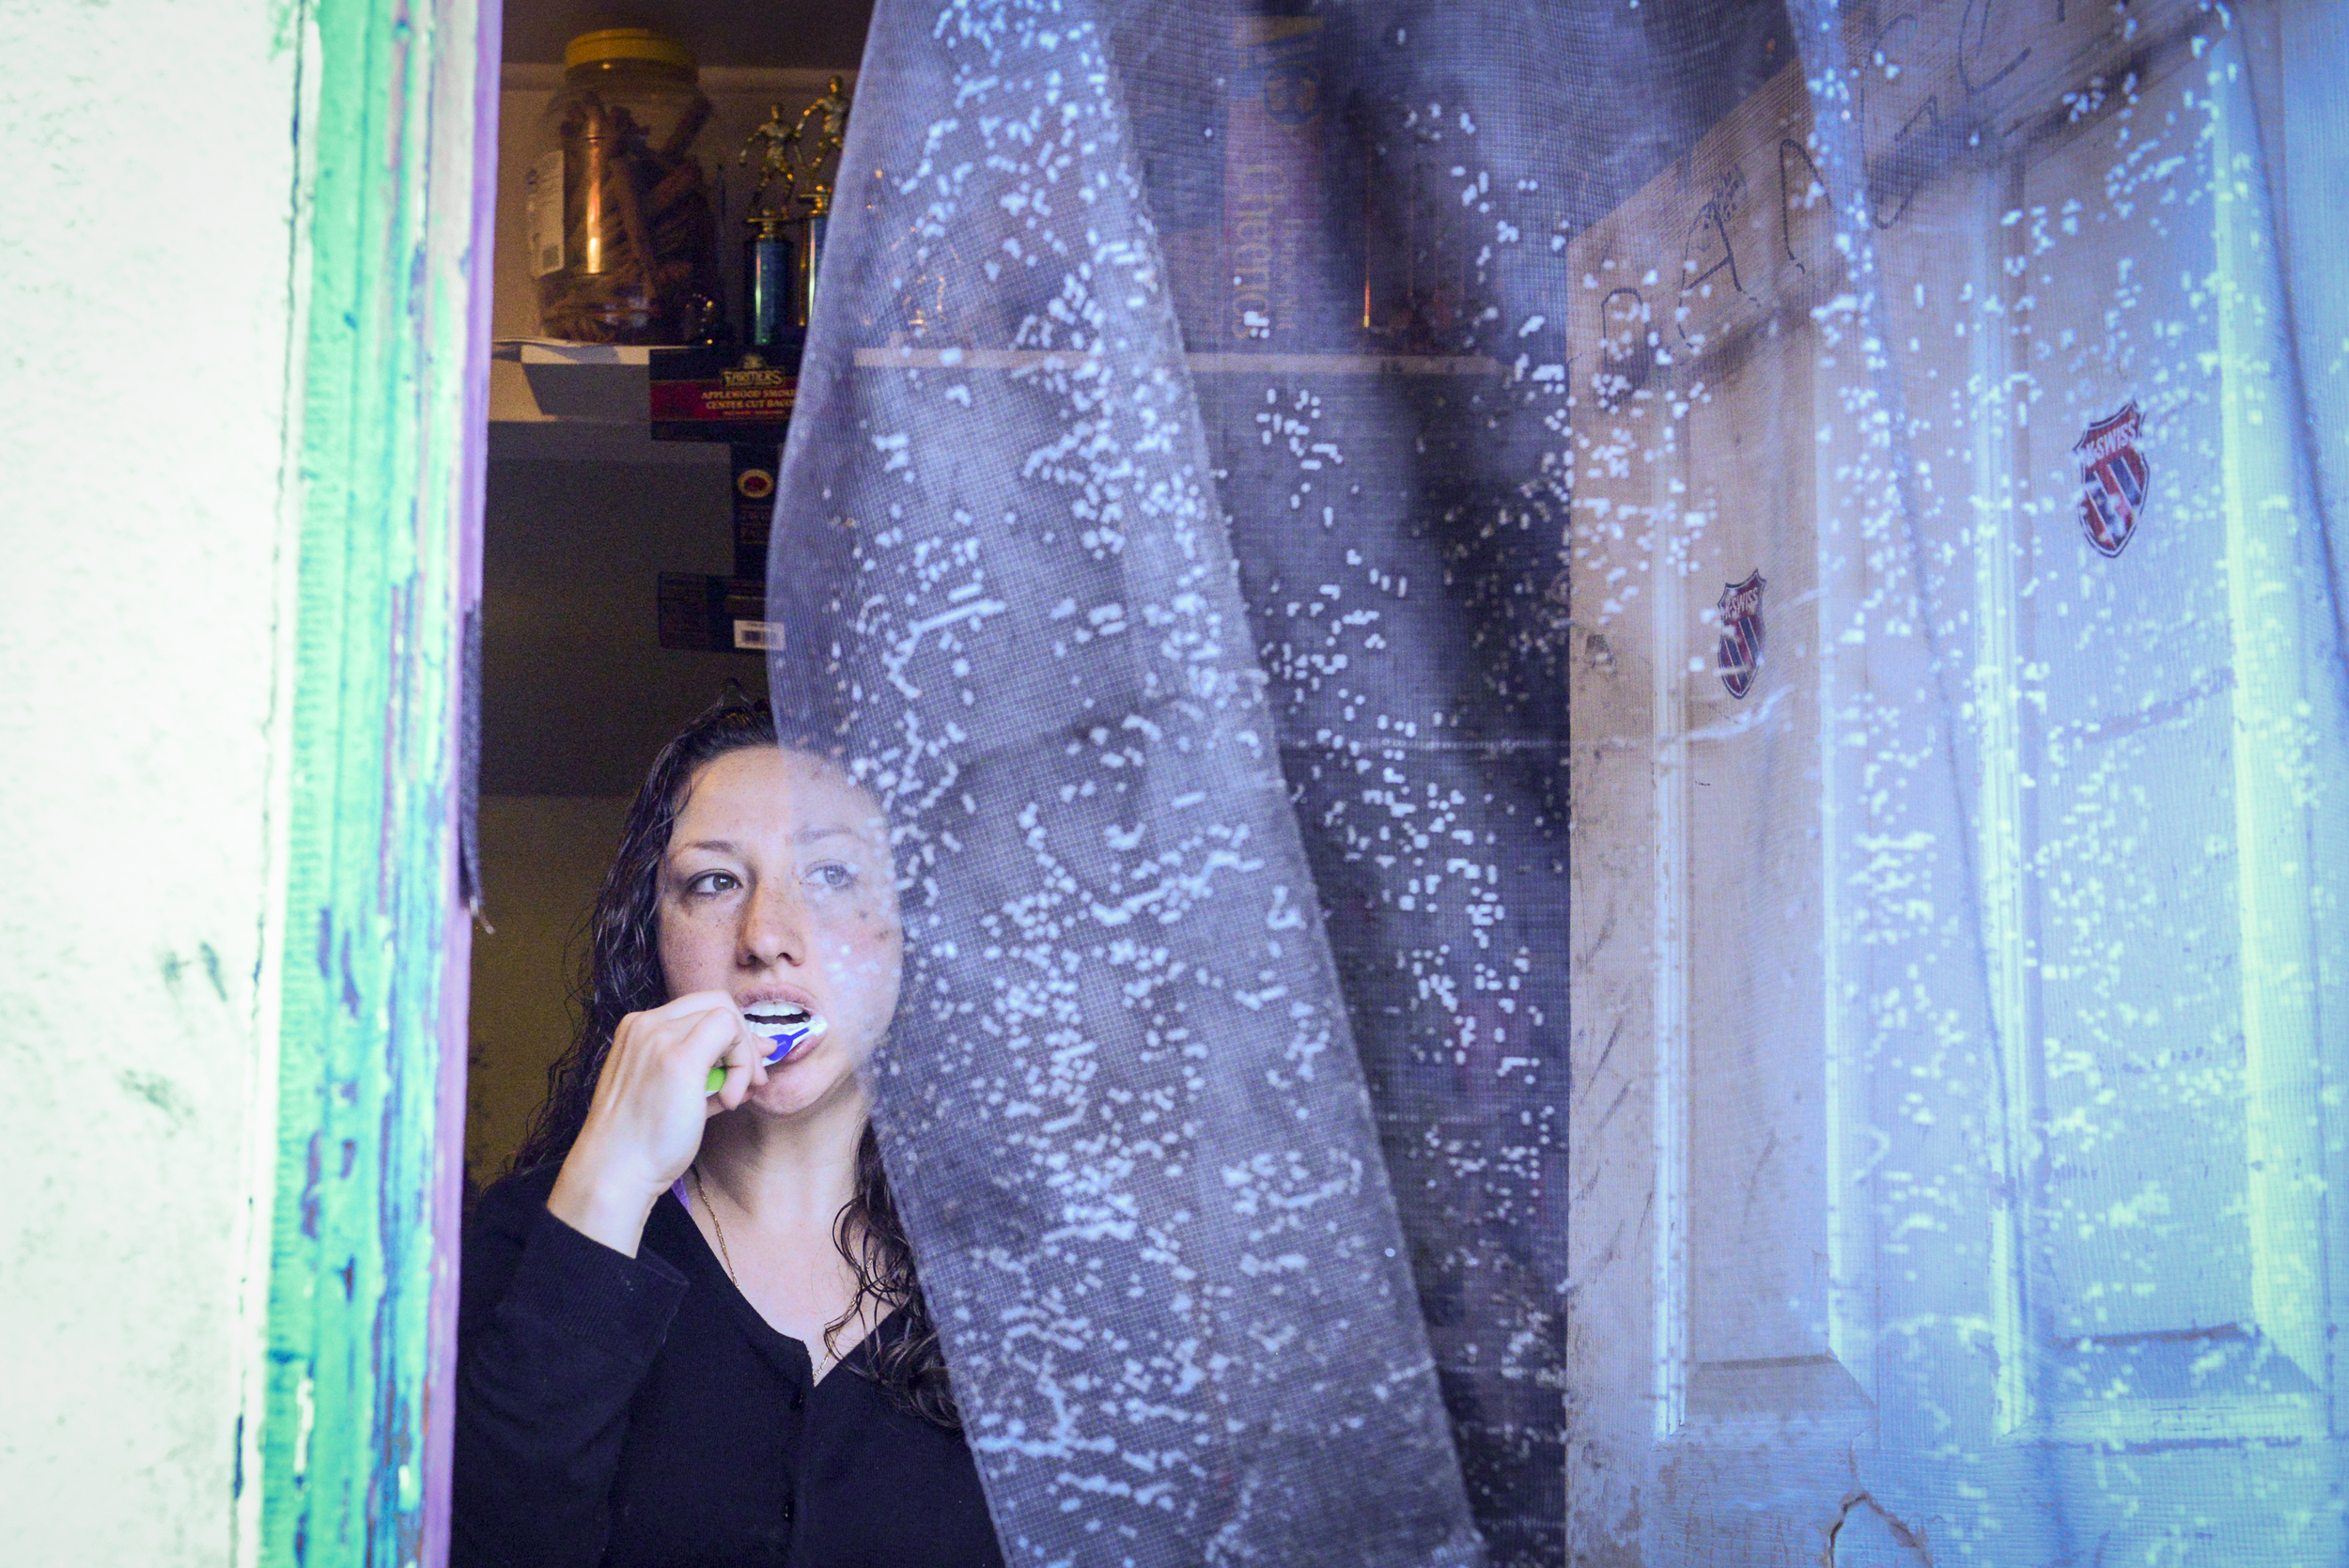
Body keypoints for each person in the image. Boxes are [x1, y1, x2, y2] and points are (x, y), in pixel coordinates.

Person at [454, 700, 1003, 1568]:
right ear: (651, 932)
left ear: (911, 935)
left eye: (831, 876)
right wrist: (610, 1177)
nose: (767, 938)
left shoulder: (1019, 1270)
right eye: (714, 881)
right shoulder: (533, 1236)